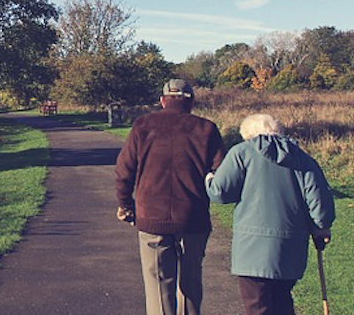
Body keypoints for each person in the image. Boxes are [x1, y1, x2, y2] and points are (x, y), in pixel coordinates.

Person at [205, 114, 335, 315]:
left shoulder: (242, 152)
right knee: (282, 302)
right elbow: (319, 202)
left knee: (258, 306)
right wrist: (321, 226)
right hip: (291, 248)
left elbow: (220, 192)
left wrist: (210, 178)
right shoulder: (302, 158)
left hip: (251, 250)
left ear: (248, 135)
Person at [115, 79, 226, 315]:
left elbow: (124, 171)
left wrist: (126, 206)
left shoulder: (143, 126)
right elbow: (221, 174)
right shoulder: (207, 129)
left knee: (157, 285)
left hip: (152, 216)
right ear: (191, 102)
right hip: (193, 218)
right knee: (191, 284)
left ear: (162, 100)